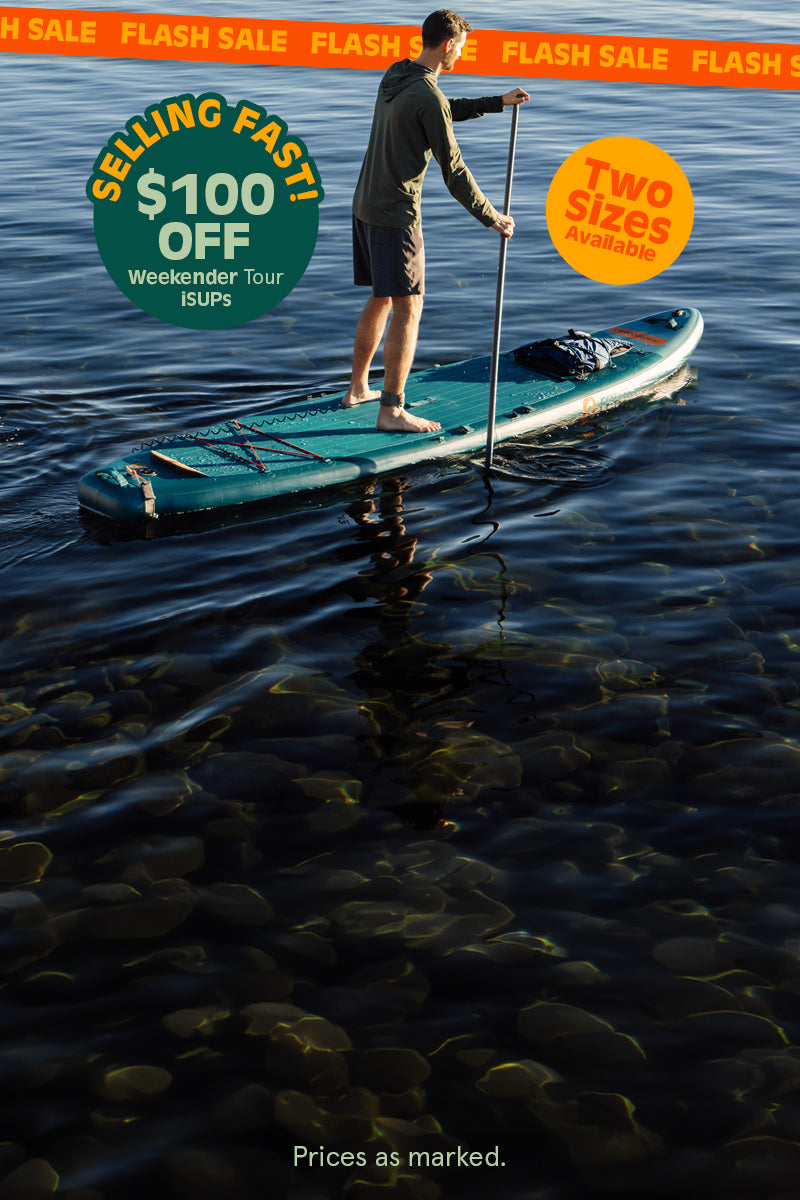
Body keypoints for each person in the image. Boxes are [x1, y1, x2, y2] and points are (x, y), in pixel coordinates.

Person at [344, 9, 530, 434]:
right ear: (448, 45)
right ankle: (391, 409)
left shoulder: (397, 75)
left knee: (381, 298)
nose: (461, 56)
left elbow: (442, 110)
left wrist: (495, 103)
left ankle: (357, 388)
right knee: (410, 307)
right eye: (461, 48)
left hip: (365, 205)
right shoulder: (426, 95)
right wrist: (492, 217)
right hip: (396, 216)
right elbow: (455, 170)